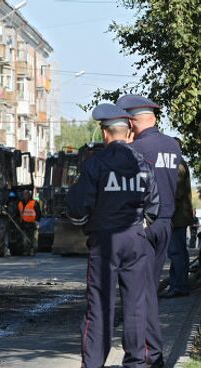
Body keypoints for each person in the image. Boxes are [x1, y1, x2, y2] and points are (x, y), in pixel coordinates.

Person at [67, 103, 159, 368]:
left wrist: (87, 223)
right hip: (135, 239)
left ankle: (94, 363)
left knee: (100, 307)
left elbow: (77, 207)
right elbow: (154, 205)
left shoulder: (96, 164)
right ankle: (136, 363)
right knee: (136, 305)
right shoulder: (142, 163)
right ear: (128, 132)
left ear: (105, 133)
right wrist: (139, 225)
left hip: (105, 241)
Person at [117, 94, 182, 368]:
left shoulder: (136, 150)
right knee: (148, 291)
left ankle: (146, 357)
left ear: (131, 121)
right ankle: (152, 355)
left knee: (138, 294)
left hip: (141, 224)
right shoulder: (172, 146)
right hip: (165, 223)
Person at [161, 139, 194, 298]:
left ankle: (179, 286)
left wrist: (165, 212)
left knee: (177, 253)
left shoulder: (178, 166)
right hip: (179, 216)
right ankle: (177, 285)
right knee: (178, 252)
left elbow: (175, 193)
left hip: (177, 217)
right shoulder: (180, 164)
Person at [18, 189, 41, 254]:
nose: (25, 196)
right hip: (24, 224)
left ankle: (34, 250)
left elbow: (38, 213)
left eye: (26, 194)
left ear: (29, 195)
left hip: (33, 224)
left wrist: (37, 221)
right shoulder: (20, 203)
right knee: (25, 240)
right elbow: (18, 214)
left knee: (34, 239)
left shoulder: (34, 203)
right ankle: (27, 251)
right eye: (24, 194)